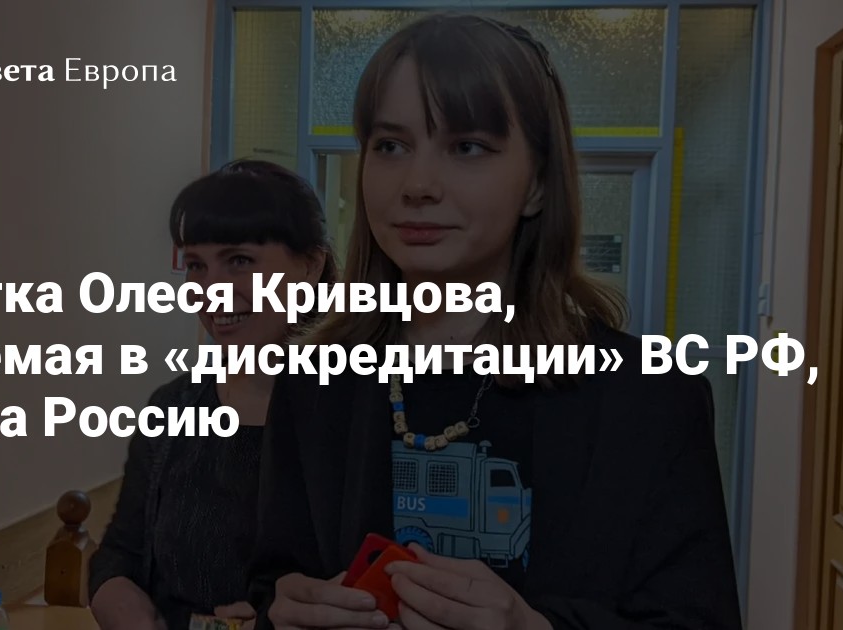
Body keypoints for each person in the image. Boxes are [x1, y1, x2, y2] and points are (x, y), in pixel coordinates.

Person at [246, 13, 741, 630]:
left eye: (467, 147)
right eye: (391, 146)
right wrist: (284, 611)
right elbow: (274, 581)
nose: (417, 184)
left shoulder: (651, 398)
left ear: (537, 184)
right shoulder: (314, 380)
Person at [89, 159, 335, 630]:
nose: (212, 291)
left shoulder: (362, 411)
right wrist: (118, 599)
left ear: (310, 265)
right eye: (197, 266)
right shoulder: (173, 408)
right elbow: (121, 552)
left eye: (239, 261)